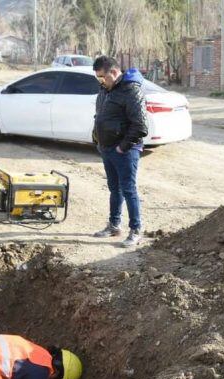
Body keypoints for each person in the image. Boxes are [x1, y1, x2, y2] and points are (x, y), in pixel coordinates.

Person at [91, 56, 148, 247]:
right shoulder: (106, 89)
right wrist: (97, 137)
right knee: (114, 189)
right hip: (107, 148)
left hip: (125, 151)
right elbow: (99, 115)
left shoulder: (131, 90)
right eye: (97, 78)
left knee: (128, 190)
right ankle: (114, 225)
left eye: (102, 77)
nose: (100, 81)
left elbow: (140, 126)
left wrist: (122, 147)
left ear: (114, 73)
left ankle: (136, 230)